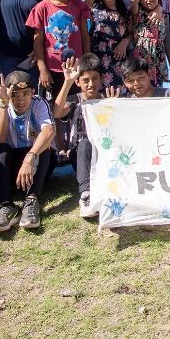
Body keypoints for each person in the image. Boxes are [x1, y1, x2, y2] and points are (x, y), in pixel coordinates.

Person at [0, 72, 56, 233]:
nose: (20, 99)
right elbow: (0, 138)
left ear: (33, 92)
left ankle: (32, 200)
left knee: (45, 147)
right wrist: (4, 103)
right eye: (15, 95)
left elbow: (48, 131)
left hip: (35, 164)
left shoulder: (39, 103)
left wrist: (29, 158)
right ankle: (7, 205)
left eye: (25, 94)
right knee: (1, 149)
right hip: (12, 166)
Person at [26, 0, 92, 99]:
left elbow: (84, 36)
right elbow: (38, 42)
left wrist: (86, 63)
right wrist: (42, 68)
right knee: (53, 108)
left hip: (76, 68)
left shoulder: (80, 6)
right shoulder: (41, 8)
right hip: (52, 69)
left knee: (74, 105)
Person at [53, 54, 106, 218]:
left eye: (95, 78)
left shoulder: (107, 100)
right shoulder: (74, 100)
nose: (91, 84)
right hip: (81, 154)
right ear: (78, 82)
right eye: (86, 80)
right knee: (84, 143)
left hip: (103, 154)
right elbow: (57, 112)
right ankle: (86, 194)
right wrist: (67, 82)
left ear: (101, 79)